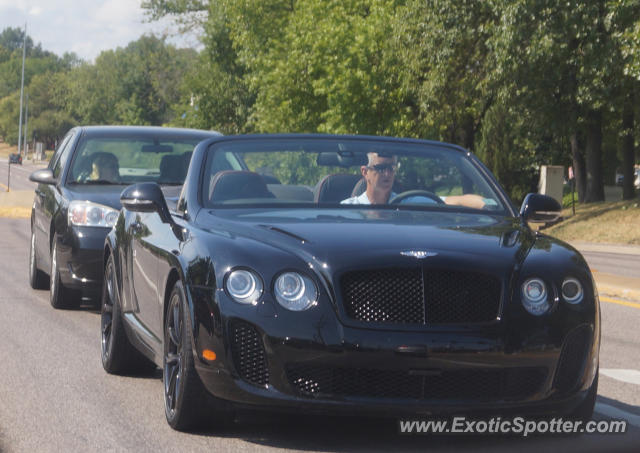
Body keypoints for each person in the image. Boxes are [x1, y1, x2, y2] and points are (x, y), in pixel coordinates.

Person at [341, 151, 489, 208]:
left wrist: (490, 205)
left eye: (392, 167)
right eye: (381, 168)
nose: (387, 174)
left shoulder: (410, 203)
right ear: (365, 172)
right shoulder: (348, 209)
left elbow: (457, 200)